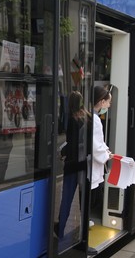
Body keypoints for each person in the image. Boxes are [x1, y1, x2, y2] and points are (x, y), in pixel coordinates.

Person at [56, 91, 90, 238]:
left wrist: (62, 152)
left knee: (67, 199)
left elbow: (72, 144)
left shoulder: (72, 120)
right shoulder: (87, 118)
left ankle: (61, 229)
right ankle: (84, 232)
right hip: (84, 166)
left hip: (72, 166)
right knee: (83, 200)